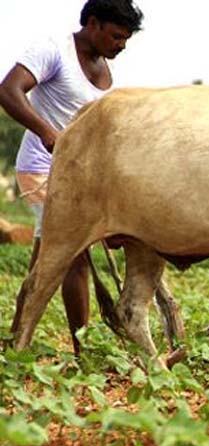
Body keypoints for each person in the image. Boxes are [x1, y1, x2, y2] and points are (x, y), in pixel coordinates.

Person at [0, 0, 143, 354]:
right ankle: (83, 351)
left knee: (44, 259)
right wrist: (48, 133)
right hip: (42, 168)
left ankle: (15, 337)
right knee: (72, 253)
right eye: (115, 36)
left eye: (126, 39)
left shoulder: (106, 68)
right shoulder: (53, 50)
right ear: (92, 23)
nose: (121, 45)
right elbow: (8, 90)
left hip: (82, 177)